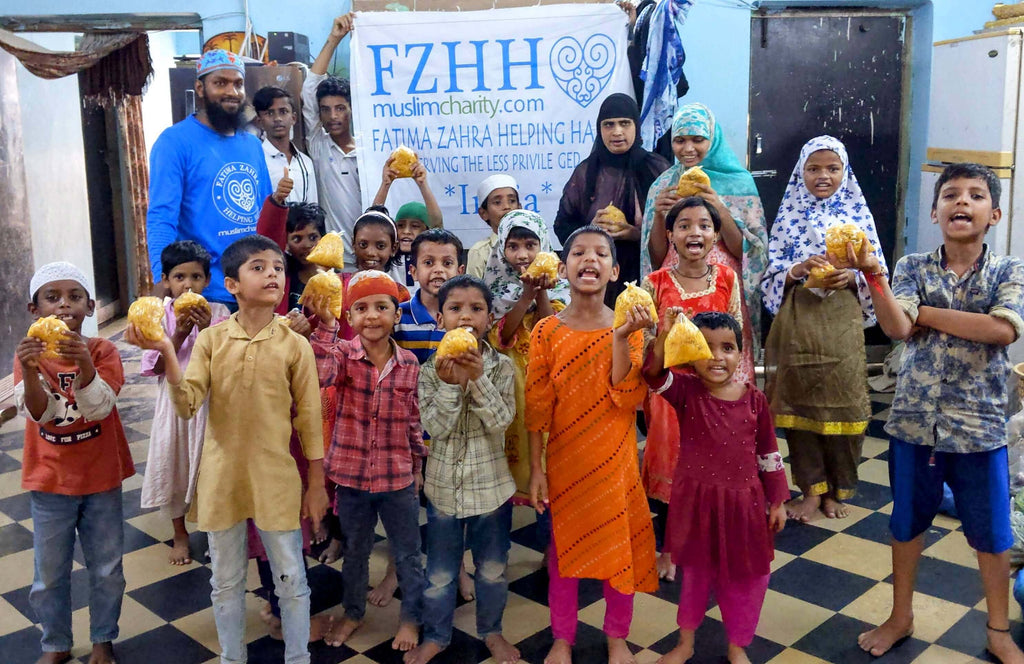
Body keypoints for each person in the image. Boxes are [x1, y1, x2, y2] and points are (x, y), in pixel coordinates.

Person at [852, 163, 1024, 663]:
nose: (961, 202)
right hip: (914, 424)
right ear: (935, 212)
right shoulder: (911, 267)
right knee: (906, 525)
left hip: (980, 428)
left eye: (975, 195)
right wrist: (874, 276)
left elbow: (1001, 330)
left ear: (994, 214)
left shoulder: (1008, 270)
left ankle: (997, 630)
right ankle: (900, 616)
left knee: (992, 536)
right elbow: (896, 328)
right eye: (950, 194)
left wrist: (924, 314)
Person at [128, 235, 329, 664]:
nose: (272, 274)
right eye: (259, 267)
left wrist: (316, 484)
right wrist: (166, 350)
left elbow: (310, 420)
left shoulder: (295, 344)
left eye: (277, 267)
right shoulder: (211, 340)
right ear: (232, 284)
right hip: (221, 479)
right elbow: (187, 405)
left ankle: (298, 658)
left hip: (277, 479)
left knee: (293, 580)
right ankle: (231, 658)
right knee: (225, 581)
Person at [526, 226, 659, 664]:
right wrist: (536, 470)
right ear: (563, 269)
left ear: (615, 271)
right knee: (563, 555)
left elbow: (627, 394)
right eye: (578, 252)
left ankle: (617, 637)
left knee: (619, 551)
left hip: (615, 462)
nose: (589, 259)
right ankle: (562, 638)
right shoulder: (546, 330)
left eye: (601, 253)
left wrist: (620, 336)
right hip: (565, 462)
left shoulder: (630, 327)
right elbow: (537, 407)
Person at [642, 311, 788, 664]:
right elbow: (652, 374)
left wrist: (778, 501)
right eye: (706, 348)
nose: (717, 357)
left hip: (744, 506)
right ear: (692, 353)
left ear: (741, 352)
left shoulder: (755, 400)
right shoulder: (686, 392)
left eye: (727, 347)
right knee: (694, 578)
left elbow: (769, 453)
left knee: (745, 578)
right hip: (697, 506)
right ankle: (685, 644)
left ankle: (738, 646)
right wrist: (665, 336)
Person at [760, 136, 887, 522]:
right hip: (800, 322)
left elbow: (877, 270)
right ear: (801, 171)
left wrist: (853, 277)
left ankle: (839, 488)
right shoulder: (789, 215)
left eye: (833, 168)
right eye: (813, 168)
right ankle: (812, 491)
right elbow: (771, 273)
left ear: (845, 172)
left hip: (842, 323)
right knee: (799, 405)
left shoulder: (857, 215)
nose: (823, 176)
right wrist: (798, 269)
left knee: (846, 404)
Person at [15, 262, 135, 664]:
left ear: (90, 307)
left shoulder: (103, 351)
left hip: (102, 477)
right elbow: (40, 414)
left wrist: (84, 364)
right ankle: (56, 643)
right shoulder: (29, 355)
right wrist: (29, 371)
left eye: (74, 297)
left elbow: (99, 408)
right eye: (52, 298)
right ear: (35, 310)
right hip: (49, 479)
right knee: (49, 574)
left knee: (106, 569)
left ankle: (103, 638)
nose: (64, 305)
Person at [306, 271, 427, 652]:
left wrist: (418, 466)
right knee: (355, 552)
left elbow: (413, 419)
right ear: (349, 317)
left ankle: (411, 618)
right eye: (360, 308)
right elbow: (321, 373)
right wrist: (326, 327)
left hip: (397, 478)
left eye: (381, 307)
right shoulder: (341, 354)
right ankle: (353, 611)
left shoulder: (409, 363)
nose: (371, 316)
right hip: (352, 478)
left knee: (408, 553)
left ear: (396, 314)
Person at [404, 275, 520, 664]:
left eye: (476, 309)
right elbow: (435, 428)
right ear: (440, 319)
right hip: (443, 491)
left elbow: (501, 421)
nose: (465, 316)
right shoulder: (428, 371)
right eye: (455, 309)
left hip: (492, 490)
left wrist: (478, 379)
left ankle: (492, 631)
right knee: (439, 575)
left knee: (492, 571)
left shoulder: (502, 367)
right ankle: (437, 635)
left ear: (490, 318)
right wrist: (452, 384)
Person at [639, 197, 745, 580]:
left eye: (703, 225)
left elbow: (735, 333)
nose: (693, 232)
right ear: (670, 235)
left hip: (714, 387)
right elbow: (645, 345)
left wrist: (727, 381)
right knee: (672, 466)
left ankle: (710, 539)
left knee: (713, 463)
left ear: (715, 235)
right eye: (683, 225)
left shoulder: (728, 278)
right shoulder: (654, 283)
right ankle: (669, 548)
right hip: (669, 391)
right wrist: (667, 336)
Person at [641, 103, 770, 357]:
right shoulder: (662, 185)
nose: (688, 148)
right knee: (679, 360)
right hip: (675, 291)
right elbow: (655, 258)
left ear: (713, 139)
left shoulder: (739, 183)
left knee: (723, 356)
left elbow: (748, 252)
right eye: (680, 140)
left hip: (723, 289)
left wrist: (719, 207)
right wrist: (658, 215)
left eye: (698, 139)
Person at [146, 49, 273, 307]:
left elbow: (266, 215)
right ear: (200, 88)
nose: (231, 92)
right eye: (220, 83)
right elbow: (161, 217)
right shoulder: (174, 142)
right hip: (204, 292)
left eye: (238, 84)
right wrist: (162, 278)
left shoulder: (252, 144)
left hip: (254, 289)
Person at [139, 241, 230, 565]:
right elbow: (154, 367)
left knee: (212, 469)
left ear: (208, 280)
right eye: (179, 277)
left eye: (196, 277)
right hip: (174, 407)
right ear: (166, 280)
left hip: (210, 405)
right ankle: (179, 534)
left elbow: (227, 360)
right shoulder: (158, 317)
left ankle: (214, 530)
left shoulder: (220, 314)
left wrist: (205, 329)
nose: (188, 285)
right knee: (174, 465)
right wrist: (177, 335)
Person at [484, 210, 570, 502]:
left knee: (550, 444)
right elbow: (503, 335)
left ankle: (549, 504)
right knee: (515, 439)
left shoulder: (560, 286)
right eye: (513, 246)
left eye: (530, 245)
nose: (522, 254)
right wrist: (525, 296)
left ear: (543, 245)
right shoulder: (494, 288)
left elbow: (552, 332)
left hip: (548, 381)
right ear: (502, 248)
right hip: (512, 383)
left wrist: (541, 291)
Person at [554, 93, 669, 304]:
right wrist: (590, 230)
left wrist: (636, 234)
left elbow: (677, 230)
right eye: (608, 125)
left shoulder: (656, 169)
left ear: (636, 126)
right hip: (597, 283)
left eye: (624, 123)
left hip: (649, 278)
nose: (617, 132)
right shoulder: (586, 173)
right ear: (599, 129)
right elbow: (562, 226)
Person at [303, 14, 360, 265]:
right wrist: (334, 38)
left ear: (352, 110)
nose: (333, 116)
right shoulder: (319, 145)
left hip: (371, 257)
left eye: (340, 108)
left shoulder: (368, 152)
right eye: (325, 109)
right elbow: (310, 88)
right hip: (333, 262)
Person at [372, 158, 444, 288]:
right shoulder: (389, 257)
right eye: (400, 225)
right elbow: (374, 221)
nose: (406, 231)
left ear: (426, 230)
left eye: (415, 226)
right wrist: (385, 184)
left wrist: (423, 184)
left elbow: (437, 223)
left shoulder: (429, 256)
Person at [254, 86, 318, 205]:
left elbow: (313, 208)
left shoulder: (306, 162)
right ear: (260, 121)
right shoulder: (256, 161)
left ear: (293, 118)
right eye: (270, 113)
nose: (277, 118)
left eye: (283, 112)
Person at [467, 174, 521, 279]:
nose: (507, 207)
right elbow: (472, 288)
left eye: (512, 201)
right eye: (497, 202)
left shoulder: (535, 244)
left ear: (519, 208)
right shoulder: (480, 252)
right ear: (483, 213)